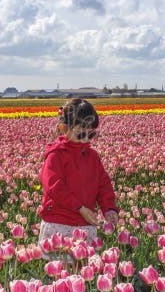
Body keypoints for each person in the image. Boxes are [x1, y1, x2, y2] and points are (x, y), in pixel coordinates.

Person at [38, 98, 118, 264]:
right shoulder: (55, 156)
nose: (86, 138)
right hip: (59, 223)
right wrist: (80, 208)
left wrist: (109, 208)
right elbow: (54, 187)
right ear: (63, 128)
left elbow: (103, 185)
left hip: (84, 224)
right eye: (81, 133)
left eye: (91, 133)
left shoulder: (93, 157)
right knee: (60, 274)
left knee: (82, 275)